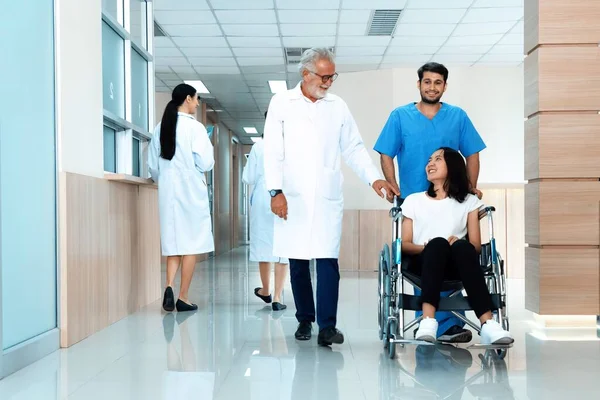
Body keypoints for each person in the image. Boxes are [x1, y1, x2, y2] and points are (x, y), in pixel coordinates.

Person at [263, 47, 398, 346]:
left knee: (327, 262)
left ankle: (327, 326)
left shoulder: (337, 106)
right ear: (305, 74)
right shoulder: (282, 103)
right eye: (323, 77)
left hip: (325, 197)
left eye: (332, 77)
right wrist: (276, 191)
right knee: (297, 261)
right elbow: (273, 149)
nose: (328, 83)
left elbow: (353, 148)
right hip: (292, 196)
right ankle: (304, 320)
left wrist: (374, 178)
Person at [373, 62, 487, 344]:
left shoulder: (457, 116)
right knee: (425, 256)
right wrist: (393, 185)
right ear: (419, 84)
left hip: (451, 200)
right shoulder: (400, 116)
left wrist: (469, 190)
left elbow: (472, 154)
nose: (432, 87)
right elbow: (386, 154)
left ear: (444, 86)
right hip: (414, 199)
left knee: (454, 250)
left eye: (438, 83)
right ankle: (437, 323)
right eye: (427, 82)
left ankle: (444, 324)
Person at [401, 147, 513, 345]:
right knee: (437, 244)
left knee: (462, 247)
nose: (430, 164)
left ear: (452, 167)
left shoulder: (469, 202)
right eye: (429, 160)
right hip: (422, 262)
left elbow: (475, 246)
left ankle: (488, 325)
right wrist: (426, 247)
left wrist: (458, 243)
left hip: (457, 265)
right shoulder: (413, 201)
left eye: (438, 159)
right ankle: (428, 321)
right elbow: (405, 245)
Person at [148, 83, 215, 313]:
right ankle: (183, 297)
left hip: (168, 191)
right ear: (188, 98)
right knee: (191, 244)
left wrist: (166, 178)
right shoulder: (195, 129)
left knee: (173, 242)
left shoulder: (160, 127)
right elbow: (206, 162)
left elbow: (153, 167)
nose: (197, 103)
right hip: (191, 191)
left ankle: (168, 285)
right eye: (196, 99)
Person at [243, 111, 289, 311]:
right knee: (283, 248)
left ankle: (266, 290)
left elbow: (248, 178)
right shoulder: (292, 146)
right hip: (286, 198)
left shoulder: (258, 146)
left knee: (264, 246)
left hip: (263, 197)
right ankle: (278, 297)